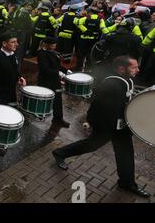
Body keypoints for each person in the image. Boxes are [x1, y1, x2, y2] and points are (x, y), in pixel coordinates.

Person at [52, 56, 151, 198]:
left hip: (121, 126)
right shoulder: (111, 84)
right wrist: (91, 121)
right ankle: (60, 153)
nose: (138, 69)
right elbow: (96, 104)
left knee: (125, 153)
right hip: (107, 124)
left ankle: (127, 182)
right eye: (134, 67)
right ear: (121, 69)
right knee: (92, 145)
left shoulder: (128, 80)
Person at [37, 37, 71, 128]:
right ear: (47, 45)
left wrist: (66, 71)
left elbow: (57, 65)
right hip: (46, 82)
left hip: (55, 81)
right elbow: (45, 69)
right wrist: (58, 73)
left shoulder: (53, 53)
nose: (55, 46)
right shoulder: (41, 54)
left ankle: (58, 119)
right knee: (43, 100)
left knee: (58, 100)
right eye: (53, 45)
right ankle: (38, 114)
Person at [0, 32, 27, 105]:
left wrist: (19, 77)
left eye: (16, 42)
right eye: (13, 42)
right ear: (4, 43)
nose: (17, 44)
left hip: (11, 94)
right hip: (0, 96)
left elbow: (14, 70)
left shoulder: (13, 55)